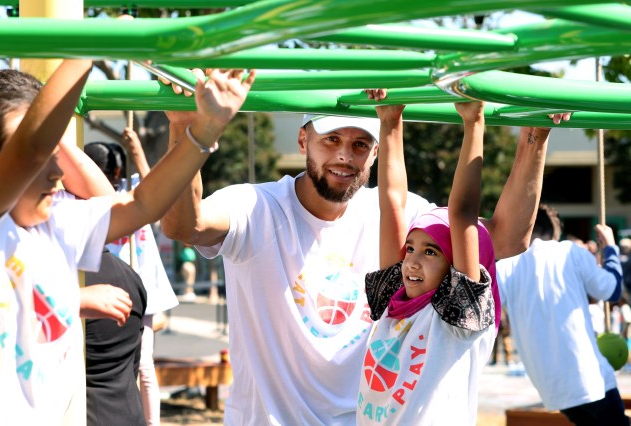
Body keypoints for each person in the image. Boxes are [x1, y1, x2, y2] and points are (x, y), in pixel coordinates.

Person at [160, 65, 569, 423]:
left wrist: (535, 139)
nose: (344, 156)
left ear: (375, 154)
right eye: (331, 140)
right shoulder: (256, 206)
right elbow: (183, 225)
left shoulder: (400, 228)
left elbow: (504, 238)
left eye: (359, 145)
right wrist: (184, 130)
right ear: (303, 141)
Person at [0, 62, 255, 424]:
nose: (56, 171)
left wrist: (203, 129)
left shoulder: (53, 223)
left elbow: (141, 203)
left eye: (58, 154)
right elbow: (32, 142)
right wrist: (91, 44)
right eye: (38, 158)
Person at [356, 97, 495, 424]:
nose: (412, 262)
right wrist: (390, 121)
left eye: (431, 252)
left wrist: (474, 123)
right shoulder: (392, 299)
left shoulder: (454, 316)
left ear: (453, 267)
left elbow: (462, 213)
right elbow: (392, 203)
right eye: (411, 249)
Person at [496, 205, 627, 425]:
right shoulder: (569, 252)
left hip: (552, 389)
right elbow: (612, 290)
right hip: (590, 380)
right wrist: (610, 248)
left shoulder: (504, 267)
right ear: (554, 234)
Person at [85, 129, 179, 426]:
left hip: (137, 281)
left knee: (143, 363)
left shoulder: (130, 192)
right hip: (112, 280)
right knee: (129, 364)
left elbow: (154, 188)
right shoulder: (90, 199)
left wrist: (136, 150)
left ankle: (152, 422)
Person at [85, 249, 147, 426]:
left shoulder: (62, 281)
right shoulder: (129, 275)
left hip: (87, 413)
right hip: (130, 412)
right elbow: (134, 361)